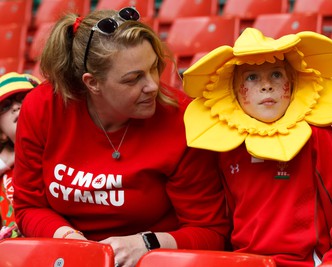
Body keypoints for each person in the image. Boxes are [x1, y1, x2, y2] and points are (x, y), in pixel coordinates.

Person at [12, 7, 229, 267]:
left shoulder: (182, 119)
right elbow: (29, 207)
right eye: (133, 79)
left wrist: (145, 244)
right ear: (92, 83)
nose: (152, 85)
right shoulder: (43, 107)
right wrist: (72, 242)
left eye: (153, 68)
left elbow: (210, 232)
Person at [182, 28, 332, 266]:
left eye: (276, 75)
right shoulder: (223, 142)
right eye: (252, 77)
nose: (267, 86)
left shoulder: (317, 135)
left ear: (293, 81)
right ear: (235, 91)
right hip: (241, 261)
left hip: (304, 262)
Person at [0, 72, 40, 239]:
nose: (16, 107)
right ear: (1, 133)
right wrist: (3, 162)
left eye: (23, 98)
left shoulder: (63, 148)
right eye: (6, 106)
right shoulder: (3, 169)